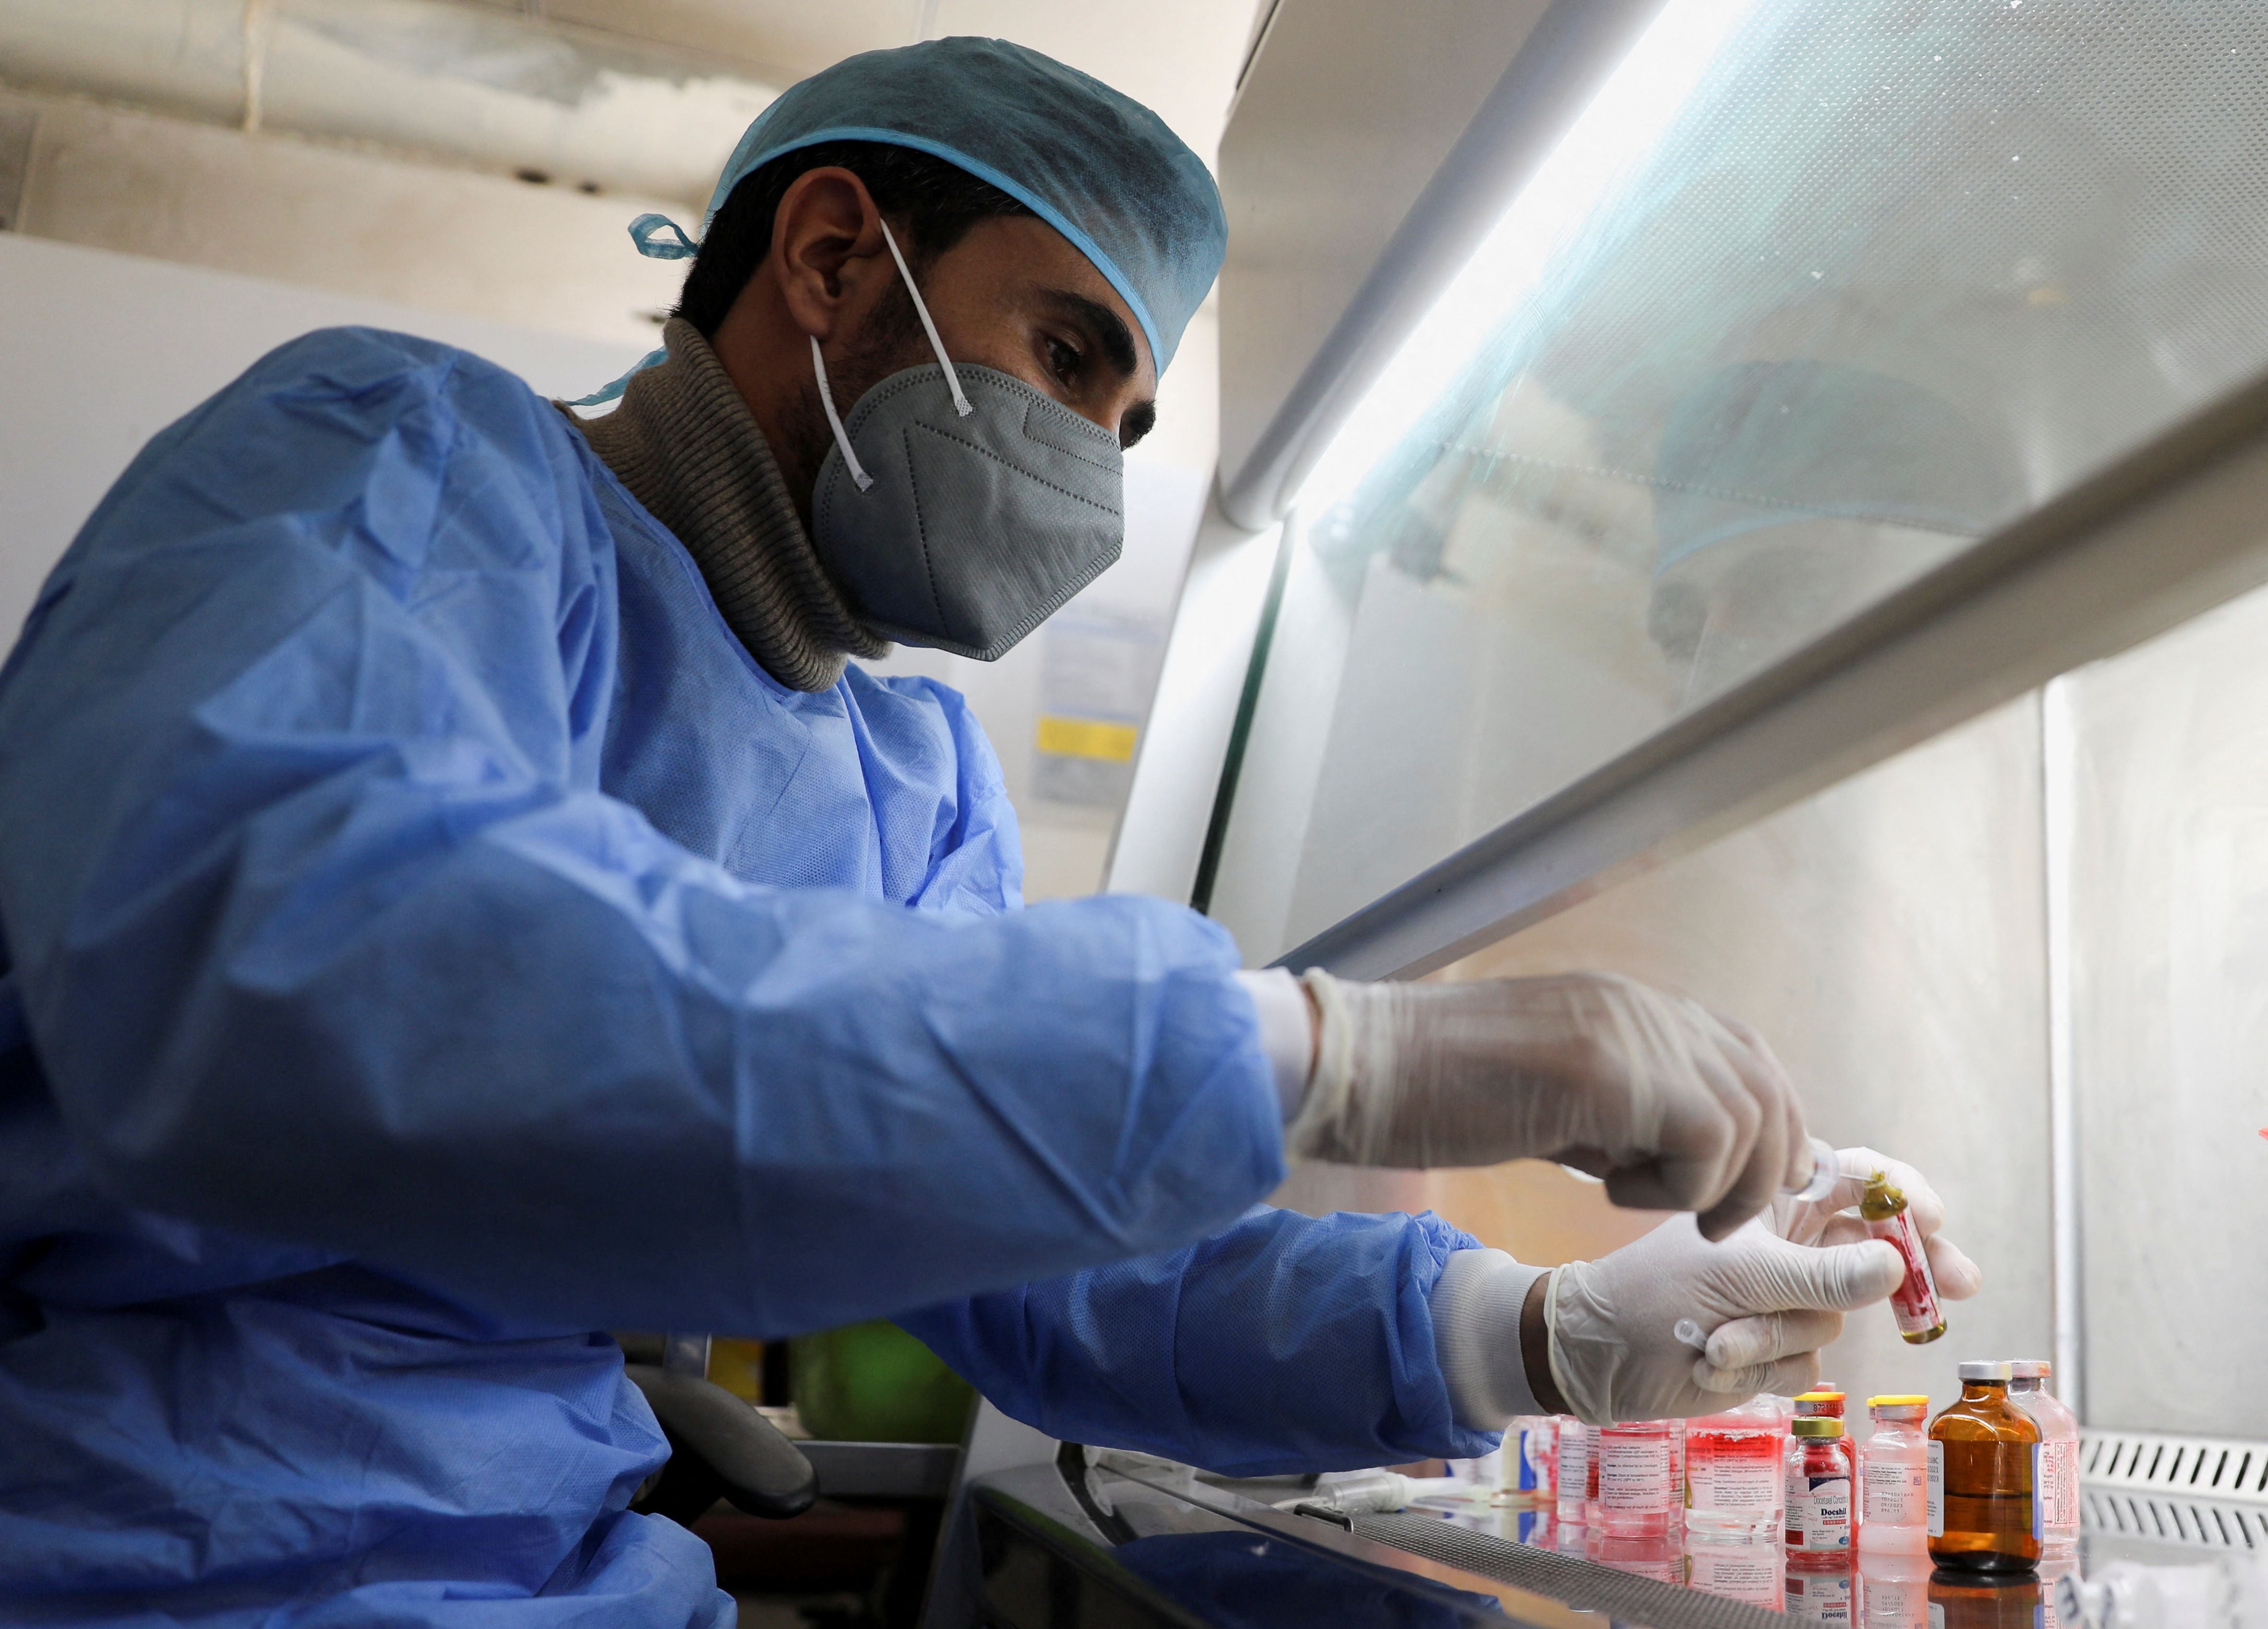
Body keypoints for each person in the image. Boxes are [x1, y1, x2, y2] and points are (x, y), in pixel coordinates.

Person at [0, 39, 1978, 1628]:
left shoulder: (903, 777)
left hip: (567, 1566)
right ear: (834, 257)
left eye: (1129, 423)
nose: (1092, 472)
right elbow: (306, 958)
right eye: (1065, 356)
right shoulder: (393, 460)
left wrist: (1541, 1327)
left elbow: (1048, 1265)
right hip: (143, 1544)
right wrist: (1335, 1048)